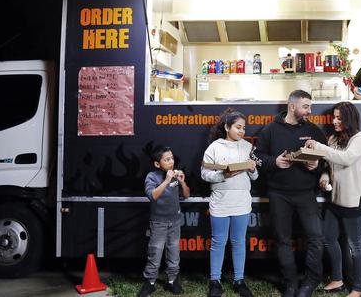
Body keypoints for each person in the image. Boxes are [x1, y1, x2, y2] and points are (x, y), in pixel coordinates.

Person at [254, 90, 328, 297]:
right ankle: (290, 283)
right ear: (292, 106)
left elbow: (326, 159)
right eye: (306, 107)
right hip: (278, 194)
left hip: (306, 194)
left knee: (315, 237)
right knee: (282, 240)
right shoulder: (269, 130)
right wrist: (274, 162)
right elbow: (257, 157)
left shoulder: (314, 130)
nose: (310, 111)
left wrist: (316, 165)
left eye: (310, 107)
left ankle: (311, 281)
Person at [305, 101, 361, 297]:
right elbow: (330, 166)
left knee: (356, 246)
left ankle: (358, 288)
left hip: (354, 200)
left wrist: (319, 146)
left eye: (339, 118)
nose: (334, 121)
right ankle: (337, 279)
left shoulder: (360, 137)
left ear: (348, 119)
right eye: (333, 117)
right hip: (335, 200)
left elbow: (346, 159)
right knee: (328, 239)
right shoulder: (333, 138)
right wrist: (325, 178)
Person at [201, 109, 258, 297]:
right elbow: (205, 174)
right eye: (238, 127)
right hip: (220, 202)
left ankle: (239, 280)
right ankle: (214, 281)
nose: (242, 131)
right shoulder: (214, 147)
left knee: (239, 241)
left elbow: (255, 176)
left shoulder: (247, 147)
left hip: (242, 201)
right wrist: (223, 175)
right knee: (218, 241)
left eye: (244, 128)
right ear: (227, 127)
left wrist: (252, 168)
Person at [138, 146, 190, 297]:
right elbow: (152, 196)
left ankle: (172, 280)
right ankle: (150, 282)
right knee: (155, 252)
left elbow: (186, 195)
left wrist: (182, 183)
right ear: (157, 164)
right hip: (158, 222)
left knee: (174, 253)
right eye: (167, 159)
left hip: (175, 221)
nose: (171, 162)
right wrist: (167, 180)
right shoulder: (152, 177)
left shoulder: (176, 175)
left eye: (172, 158)